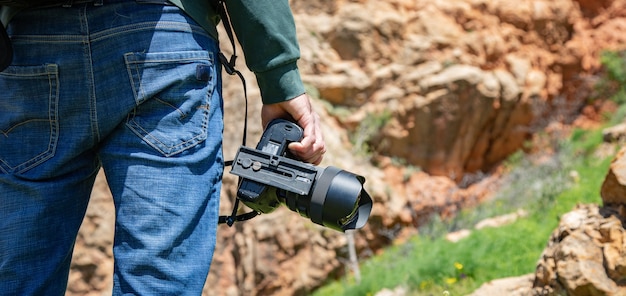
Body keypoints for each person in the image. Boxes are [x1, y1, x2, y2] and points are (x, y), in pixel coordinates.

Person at [0, 0, 325, 294]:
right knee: (157, 284)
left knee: (18, 280)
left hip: (29, 52)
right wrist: (279, 77)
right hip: (162, 42)